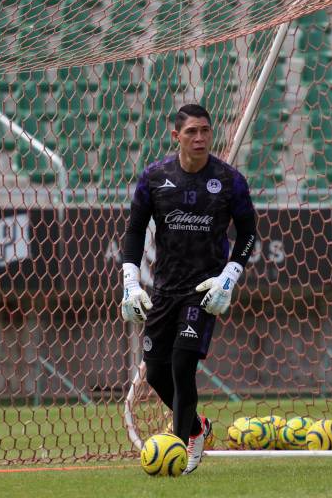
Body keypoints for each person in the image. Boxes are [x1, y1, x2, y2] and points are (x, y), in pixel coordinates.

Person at [120, 104, 257, 475]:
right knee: (155, 373)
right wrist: (130, 283)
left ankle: (181, 449)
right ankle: (198, 425)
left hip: (204, 288)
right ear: (176, 136)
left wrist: (228, 277)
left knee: (182, 364)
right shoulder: (154, 177)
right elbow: (135, 231)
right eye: (192, 131)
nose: (200, 138)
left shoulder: (229, 180)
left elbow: (248, 233)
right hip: (164, 289)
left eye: (205, 131)